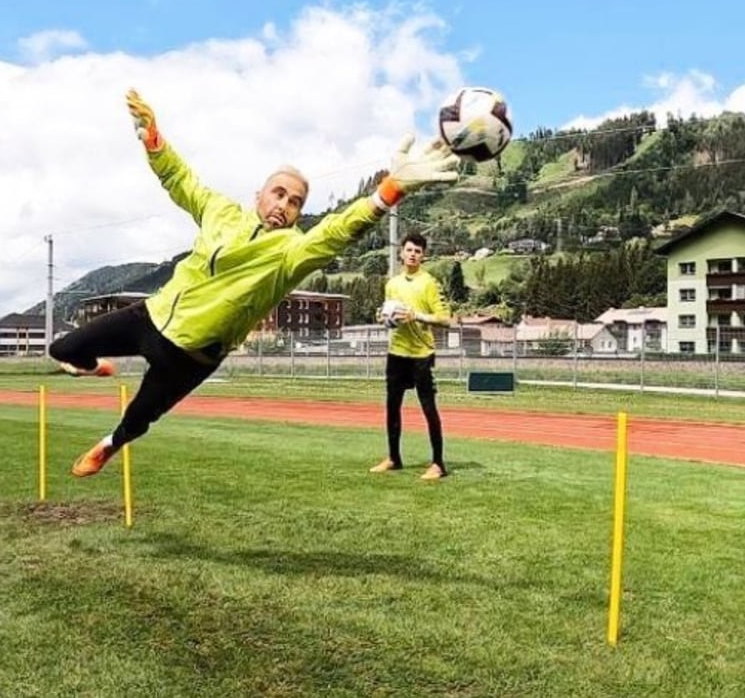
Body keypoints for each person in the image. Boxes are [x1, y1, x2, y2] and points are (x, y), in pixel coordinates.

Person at [49, 88, 461, 477]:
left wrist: (388, 190)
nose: (284, 205)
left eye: (295, 202)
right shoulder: (219, 211)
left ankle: (110, 444)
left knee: (138, 420)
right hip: (150, 318)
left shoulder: (290, 252)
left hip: (192, 357)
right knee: (63, 349)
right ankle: (92, 367)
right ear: (259, 194)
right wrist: (154, 139)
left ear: (300, 213)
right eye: (278, 194)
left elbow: (336, 230)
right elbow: (181, 179)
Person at [369, 232, 453, 480]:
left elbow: (445, 319)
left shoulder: (429, 283)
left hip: (421, 355)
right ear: (401, 253)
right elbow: (388, 315)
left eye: (418, 251)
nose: (413, 254)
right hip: (396, 353)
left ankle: (438, 464)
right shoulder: (392, 284)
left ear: (423, 255)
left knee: (428, 407)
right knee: (392, 407)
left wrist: (417, 315)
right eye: (409, 250)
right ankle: (394, 458)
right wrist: (383, 317)